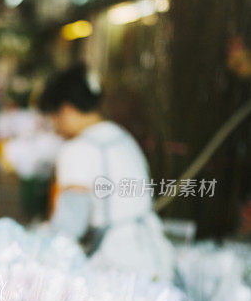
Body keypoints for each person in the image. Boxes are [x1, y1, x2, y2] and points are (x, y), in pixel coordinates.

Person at [38, 63, 174, 280]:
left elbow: (69, 225)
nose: (55, 126)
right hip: (155, 255)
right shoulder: (122, 137)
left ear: (66, 109)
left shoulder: (78, 149)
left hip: (117, 266)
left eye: (53, 117)